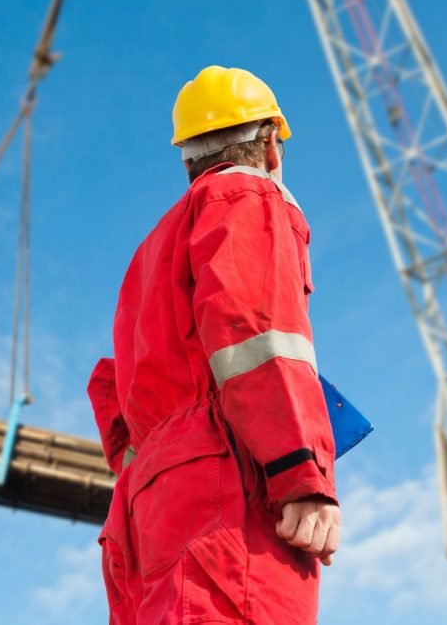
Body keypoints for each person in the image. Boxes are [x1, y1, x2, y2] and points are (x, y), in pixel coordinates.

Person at [87, 65, 340, 624]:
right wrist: (301, 472)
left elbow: (117, 401)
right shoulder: (244, 196)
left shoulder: (148, 255)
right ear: (272, 144)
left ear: (187, 160)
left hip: (146, 509)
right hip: (225, 491)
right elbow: (260, 334)